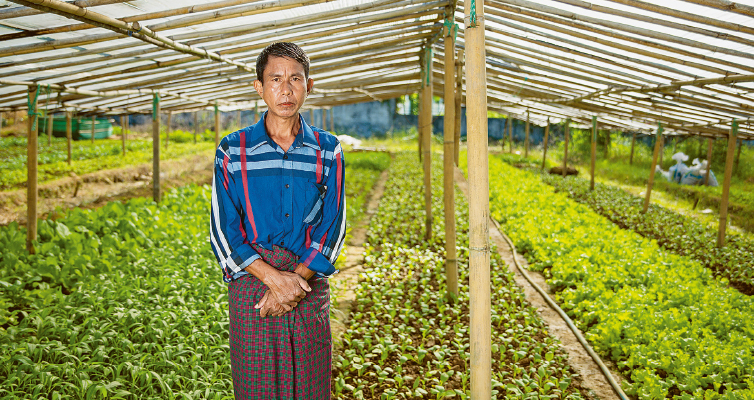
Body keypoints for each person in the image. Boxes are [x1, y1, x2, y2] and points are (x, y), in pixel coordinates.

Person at [209, 42, 345, 400]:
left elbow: (333, 226)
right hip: (253, 287)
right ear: (259, 87)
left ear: (308, 85)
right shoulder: (233, 150)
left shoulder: (326, 149)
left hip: (307, 286)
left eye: (295, 79)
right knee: (257, 388)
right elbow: (223, 230)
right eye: (275, 79)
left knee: (311, 387)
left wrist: (295, 282)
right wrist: (273, 280)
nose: (286, 90)